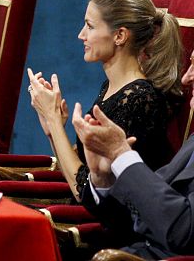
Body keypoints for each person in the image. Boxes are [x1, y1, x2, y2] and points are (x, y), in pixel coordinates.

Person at [27, 0, 181, 201]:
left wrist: (53, 120)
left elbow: (89, 195)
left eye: (90, 26)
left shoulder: (140, 98)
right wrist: (53, 129)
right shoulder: (111, 88)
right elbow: (82, 174)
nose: (81, 35)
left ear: (119, 35)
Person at [73, 49, 194, 259]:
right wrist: (103, 177)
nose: (186, 78)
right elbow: (130, 220)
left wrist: (121, 154)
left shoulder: (140, 97)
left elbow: (182, 232)